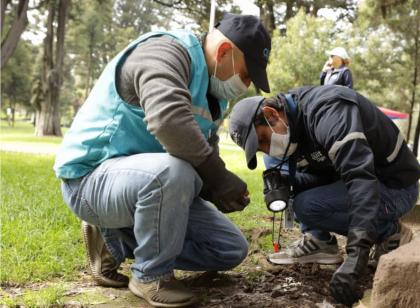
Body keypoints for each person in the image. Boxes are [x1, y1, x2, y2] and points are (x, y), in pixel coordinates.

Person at [54, 14, 271, 307]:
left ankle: (115, 237)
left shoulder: (214, 97)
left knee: (229, 250)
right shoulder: (165, 52)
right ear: (223, 52)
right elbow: (169, 121)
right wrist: (218, 177)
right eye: (246, 75)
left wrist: (215, 189)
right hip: (90, 180)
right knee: (175, 172)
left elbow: (203, 150)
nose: (244, 86)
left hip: (151, 186)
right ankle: (149, 275)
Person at [228, 85, 420, 306]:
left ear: (272, 114)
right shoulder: (288, 128)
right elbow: (325, 175)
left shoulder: (329, 111)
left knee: (308, 205)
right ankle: (319, 241)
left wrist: (356, 255)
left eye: (262, 140)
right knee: (291, 189)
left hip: (395, 186)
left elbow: (360, 179)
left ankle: (390, 233)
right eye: (259, 149)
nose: (266, 150)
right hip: (355, 182)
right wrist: (285, 183)